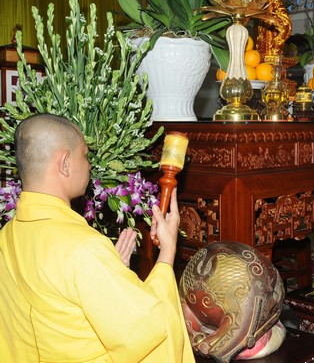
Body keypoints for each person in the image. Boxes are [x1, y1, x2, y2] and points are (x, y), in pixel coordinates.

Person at [0, 113, 194, 362]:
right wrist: (167, 252)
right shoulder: (83, 248)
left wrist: (111, 273)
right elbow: (149, 331)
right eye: (85, 155)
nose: (89, 165)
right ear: (65, 163)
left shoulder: (7, 236)